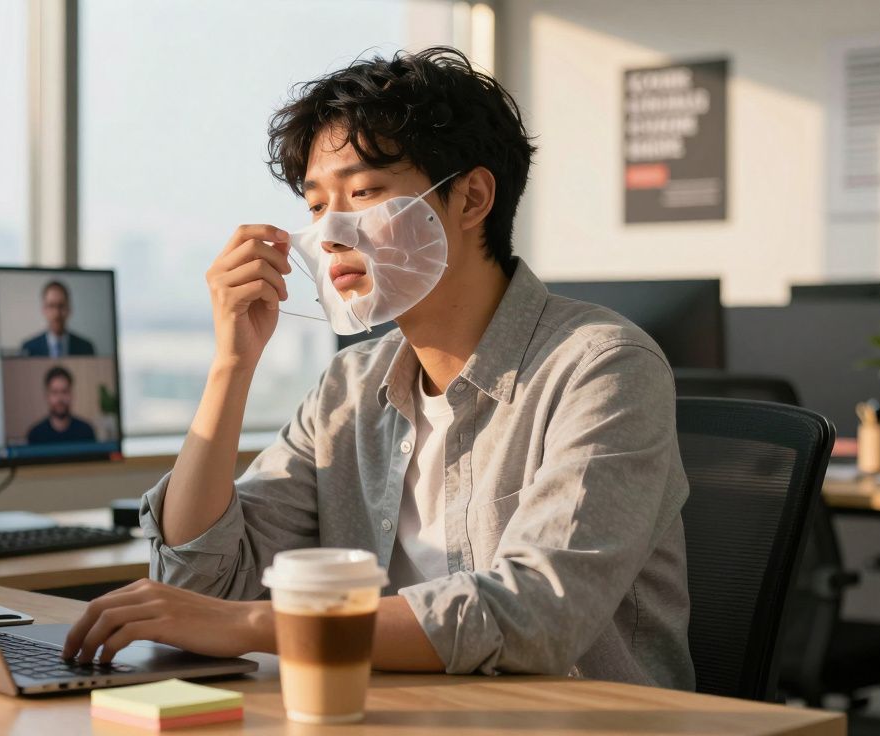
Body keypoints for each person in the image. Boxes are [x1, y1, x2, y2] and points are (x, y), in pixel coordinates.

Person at [60, 48, 694, 690]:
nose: (330, 234)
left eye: (363, 193)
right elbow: (200, 585)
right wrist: (232, 364)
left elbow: (535, 614)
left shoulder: (604, 368)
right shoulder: (349, 388)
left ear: (472, 198)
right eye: (315, 206)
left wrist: (258, 624)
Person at [19, 281, 96, 357]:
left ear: (69, 309)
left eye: (61, 306)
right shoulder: (29, 349)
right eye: (51, 306)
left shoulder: (86, 348)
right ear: (44, 309)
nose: (57, 313)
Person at [26, 366, 97, 444]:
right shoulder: (35, 435)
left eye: (64, 391)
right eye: (54, 392)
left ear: (71, 395)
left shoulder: (86, 432)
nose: (60, 398)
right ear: (47, 396)